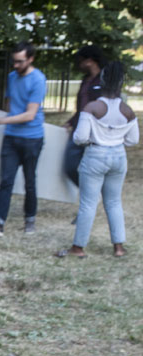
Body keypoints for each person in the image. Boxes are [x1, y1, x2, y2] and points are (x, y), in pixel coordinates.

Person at [56, 61, 138, 259]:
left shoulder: (92, 107)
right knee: (114, 202)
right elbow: (133, 140)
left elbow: (80, 137)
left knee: (88, 204)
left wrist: (96, 137)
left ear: (101, 81)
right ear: (121, 83)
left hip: (95, 156)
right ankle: (118, 247)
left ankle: (78, 248)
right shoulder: (127, 110)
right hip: (118, 157)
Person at [0, 42, 47, 237]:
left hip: (32, 138)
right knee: (6, 180)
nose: (15, 65)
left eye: (20, 61)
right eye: (14, 61)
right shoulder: (12, 77)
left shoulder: (38, 80)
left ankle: (30, 220)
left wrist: (0, 121)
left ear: (31, 59)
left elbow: (29, 114)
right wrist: (4, 120)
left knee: (30, 181)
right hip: (11, 138)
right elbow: (10, 104)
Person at [62, 45, 106, 186]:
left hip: (95, 132)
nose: (79, 65)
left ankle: (93, 191)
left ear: (90, 60)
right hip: (79, 128)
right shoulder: (85, 81)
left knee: (94, 167)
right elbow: (81, 107)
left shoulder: (104, 81)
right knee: (70, 166)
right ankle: (88, 188)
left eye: (81, 61)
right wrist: (70, 121)